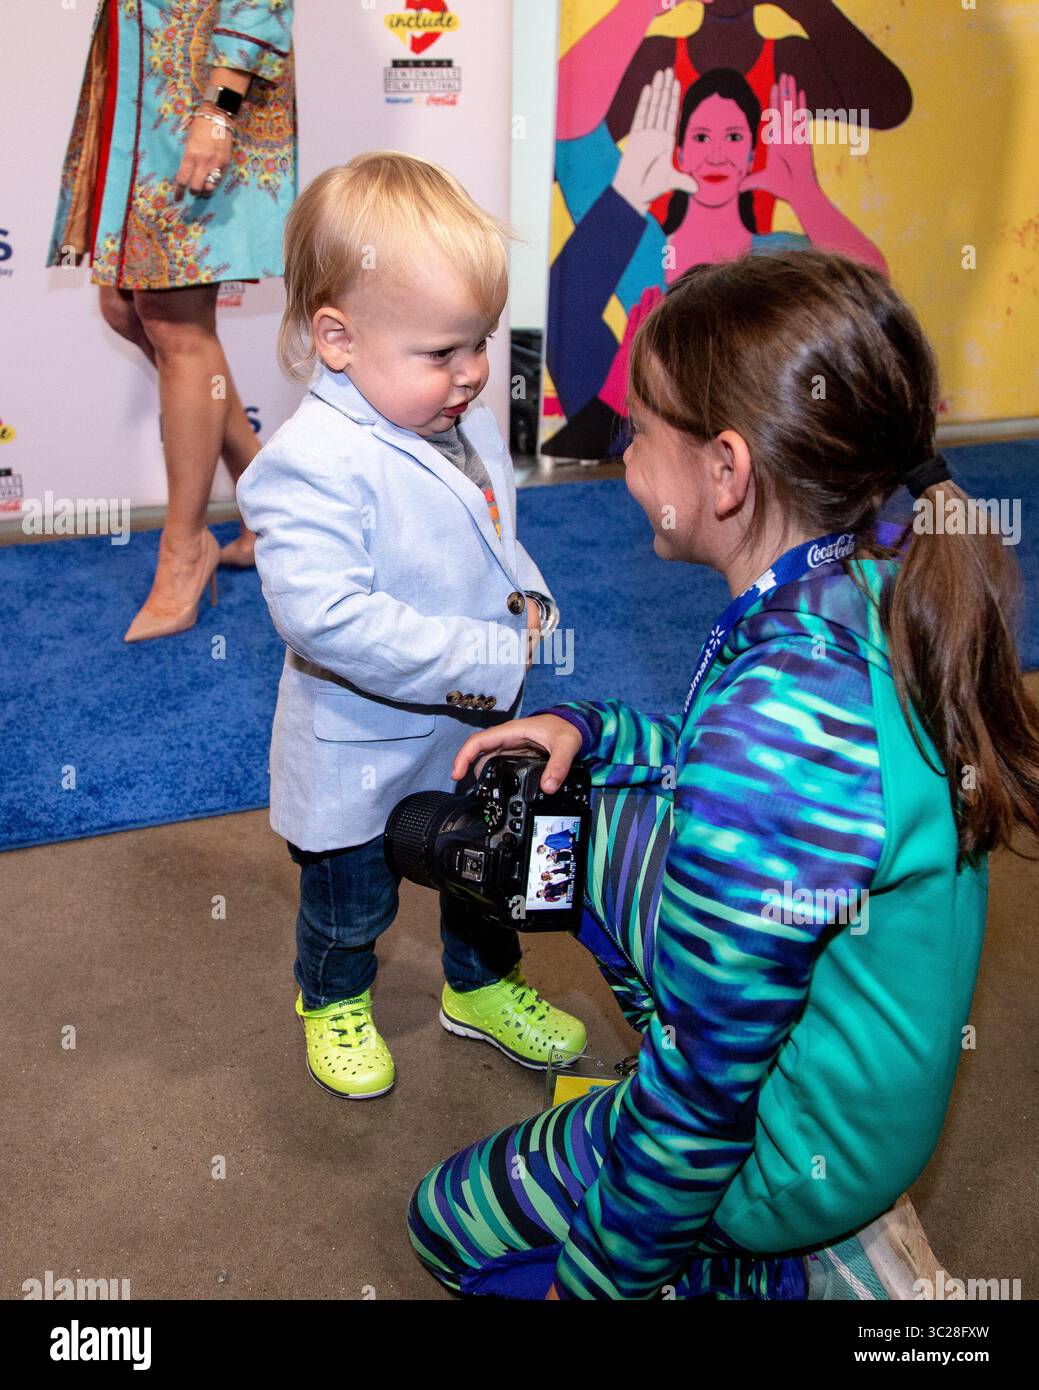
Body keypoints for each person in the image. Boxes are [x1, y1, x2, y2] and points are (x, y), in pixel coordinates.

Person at [408, 248, 1039, 1299]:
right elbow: (723, 768)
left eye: (640, 428)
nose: (621, 450)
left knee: (449, 1229)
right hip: (856, 1081)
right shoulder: (868, 569)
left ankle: (788, 1269)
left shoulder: (781, 724)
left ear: (726, 471)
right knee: (589, 814)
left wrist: (598, 1283)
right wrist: (592, 729)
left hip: (779, 1152)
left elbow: (701, 1100)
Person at [236, 153, 587, 1101]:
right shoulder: (307, 461)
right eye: (442, 352)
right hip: (360, 744)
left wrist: (528, 601)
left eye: (479, 343)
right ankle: (332, 999)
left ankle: (479, 988)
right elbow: (326, 617)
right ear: (338, 339)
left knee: (483, 874)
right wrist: (484, 654)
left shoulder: (449, 419)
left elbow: (489, 535)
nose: (473, 373)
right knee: (352, 900)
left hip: (464, 729)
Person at [47, 0, 297, 640]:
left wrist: (220, 105)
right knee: (127, 304)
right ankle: (270, 503)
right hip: (136, 81)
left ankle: (185, 550)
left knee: (174, 319)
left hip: (202, 88)